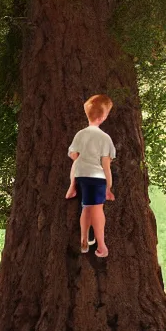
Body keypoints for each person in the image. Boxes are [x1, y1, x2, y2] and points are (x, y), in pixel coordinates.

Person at [65, 94, 116, 258]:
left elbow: (73, 154)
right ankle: (101, 245)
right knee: (97, 209)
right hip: (97, 178)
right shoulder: (104, 138)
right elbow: (106, 165)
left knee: (86, 206)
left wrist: (83, 157)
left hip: (81, 176)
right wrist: (108, 187)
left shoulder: (80, 134)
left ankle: (84, 239)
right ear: (102, 117)